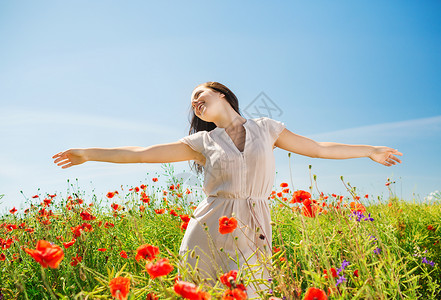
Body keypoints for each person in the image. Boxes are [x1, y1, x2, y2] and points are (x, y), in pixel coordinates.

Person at [52, 81, 403, 299]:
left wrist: (368, 150)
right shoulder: (203, 141)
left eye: (198, 94)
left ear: (221, 94)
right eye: (192, 101)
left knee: (251, 291)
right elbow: (143, 155)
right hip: (208, 226)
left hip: (253, 224)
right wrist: (89, 153)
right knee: (201, 292)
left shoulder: (267, 128)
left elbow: (319, 148)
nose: (194, 102)